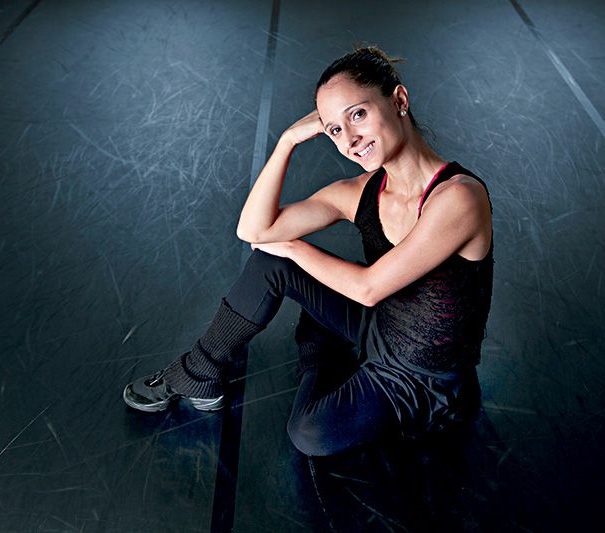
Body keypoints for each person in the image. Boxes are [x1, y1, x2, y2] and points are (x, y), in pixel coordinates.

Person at [123, 46, 494, 457]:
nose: (350, 140)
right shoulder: (360, 192)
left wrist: (291, 247)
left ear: (399, 101)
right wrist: (287, 141)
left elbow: (369, 288)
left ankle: (320, 352)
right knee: (271, 261)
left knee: (309, 434)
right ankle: (200, 371)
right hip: (380, 325)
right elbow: (253, 230)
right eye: (334, 129)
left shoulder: (459, 198)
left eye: (358, 114)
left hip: (425, 377)